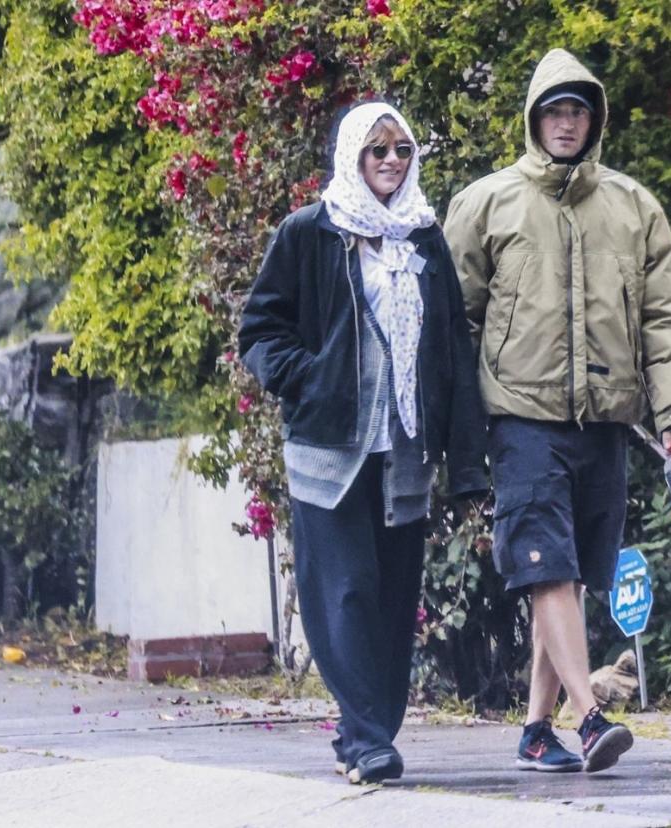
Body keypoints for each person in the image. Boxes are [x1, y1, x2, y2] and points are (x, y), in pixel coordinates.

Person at [445, 48, 671, 774]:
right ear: (534, 118)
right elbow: (454, 321)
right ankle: (590, 720)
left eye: (577, 109)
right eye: (554, 109)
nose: (565, 122)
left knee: (572, 574)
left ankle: (534, 729)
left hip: (608, 419)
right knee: (545, 567)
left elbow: (662, 319)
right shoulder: (487, 202)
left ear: (593, 119)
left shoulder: (632, 206)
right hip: (521, 416)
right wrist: (460, 426)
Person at [238, 102, 487, 785]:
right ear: (351, 156)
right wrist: (308, 380)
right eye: (376, 150)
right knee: (343, 590)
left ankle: (365, 737)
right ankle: (370, 736)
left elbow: (454, 353)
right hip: (329, 451)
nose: (390, 161)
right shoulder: (310, 233)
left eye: (401, 150)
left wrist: (466, 461)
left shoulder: (424, 238)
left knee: (389, 594)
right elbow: (259, 331)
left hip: (404, 454)